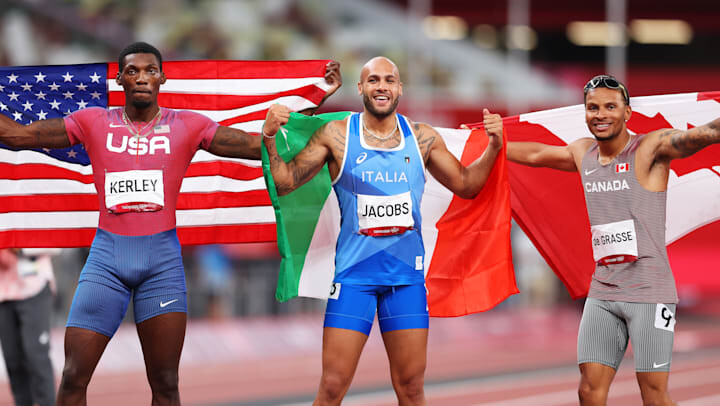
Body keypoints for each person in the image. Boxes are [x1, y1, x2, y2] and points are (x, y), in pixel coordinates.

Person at [0, 41, 341, 405]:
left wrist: (306, 107)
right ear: (120, 80)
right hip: (106, 264)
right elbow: (19, 136)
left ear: (162, 78)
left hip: (160, 266)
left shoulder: (187, 125)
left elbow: (252, 146)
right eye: (133, 71)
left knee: (165, 383)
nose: (141, 78)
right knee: (72, 377)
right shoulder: (93, 121)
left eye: (150, 71)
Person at [262, 56, 503, 405]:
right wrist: (269, 136)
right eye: (373, 80)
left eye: (389, 80)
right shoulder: (337, 135)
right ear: (360, 87)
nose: (382, 86)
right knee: (332, 386)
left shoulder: (422, 138)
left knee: (411, 388)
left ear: (399, 89)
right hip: (354, 280)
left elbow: (467, 185)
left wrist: (494, 147)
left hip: (405, 281)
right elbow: (285, 183)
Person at [507, 74, 720, 405]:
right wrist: (493, 143)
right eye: (593, 108)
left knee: (653, 394)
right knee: (588, 391)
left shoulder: (649, 148)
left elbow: (702, 135)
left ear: (627, 112)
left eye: (610, 106)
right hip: (603, 291)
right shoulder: (583, 152)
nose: (601, 114)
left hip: (649, 293)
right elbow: (536, 154)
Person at [0, 248, 60, 406]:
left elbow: (56, 245)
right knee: (13, 361)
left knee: (36, 357)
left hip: (34, 287)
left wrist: (19, 248)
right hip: (3, 294)